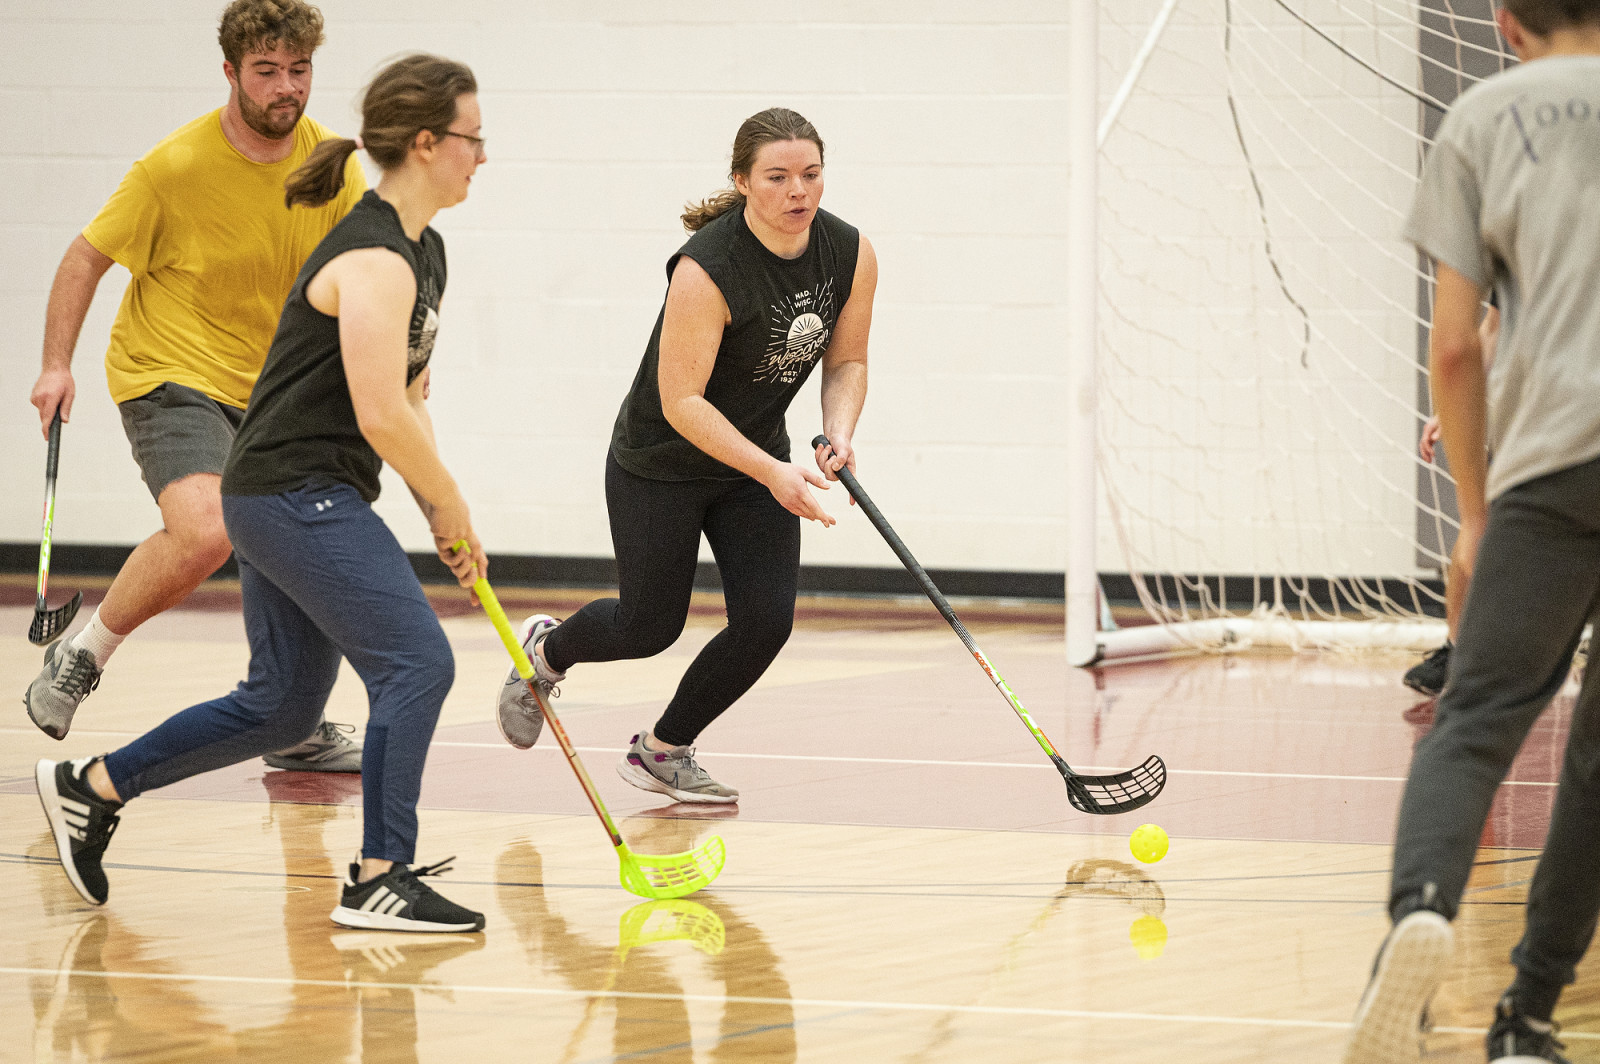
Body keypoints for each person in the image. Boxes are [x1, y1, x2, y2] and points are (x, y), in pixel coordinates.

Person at [36, 53, 490, 933]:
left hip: (295, 492)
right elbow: (379, 413)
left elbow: (412, 399)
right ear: (429, 144)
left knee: (283, 702)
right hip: (291, 492)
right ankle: (379, 875)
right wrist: (448, 504)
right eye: (474, 139)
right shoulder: (374, 256)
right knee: (418, 663)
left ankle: (91, 788)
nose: (484, 156)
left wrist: (446, 516)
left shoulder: (423, 252)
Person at [1344, 2, 1600, 1061]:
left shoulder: (1482, 117)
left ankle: (1420, 908)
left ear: (1502, 21)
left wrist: (1475, 514)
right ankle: (1529, 1015)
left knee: (1478, 713)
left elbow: (1454, 349)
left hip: (1554, 471)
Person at [494, 107, 877, 804]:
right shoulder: (708, 267)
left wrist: (838, 429)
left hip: (753, 463)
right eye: (778, 177)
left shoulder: (848, 251)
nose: (799, 191)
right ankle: (547, 653)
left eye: (812, 175)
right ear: (742, 181)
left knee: (767, 621)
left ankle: (663, 751)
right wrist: (772, 473)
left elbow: (847, 360)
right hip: (661, 465)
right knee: (649, 627)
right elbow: (682, 402)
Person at [24, 0, 366, 773]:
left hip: (271, 388)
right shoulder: (172, 169)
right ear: (231, 73)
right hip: (168, 370)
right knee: (208, 527)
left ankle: (291, 716)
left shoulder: (332, 166)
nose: (286, 87)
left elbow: (358, 273)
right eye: (267, 72)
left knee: (305, 537)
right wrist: (55, 362)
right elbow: (85, 259)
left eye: (299, 70)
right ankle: (84, 654)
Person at [1404, 303, 1499, 696]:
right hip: (1543, 416)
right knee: (1481, 518)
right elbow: (1494, 326)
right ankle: (1457, 650)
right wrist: (1450, 408)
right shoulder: (1531, 250)